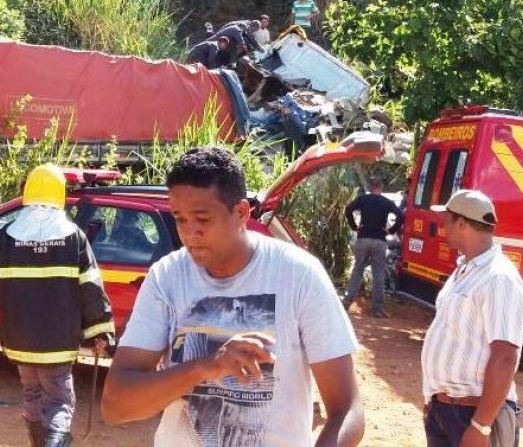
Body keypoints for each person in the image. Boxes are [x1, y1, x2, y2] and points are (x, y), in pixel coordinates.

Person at [101, 147, 364, 447]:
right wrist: (207, 367)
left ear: (241, 212)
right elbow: (115, 406)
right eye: (180, 219)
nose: (189, 233)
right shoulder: (167, 277)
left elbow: (347, 410)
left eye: (202, 218)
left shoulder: (298, 275)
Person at [0, 164, 115, 447]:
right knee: (59, 401)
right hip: (58, 344)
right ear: (60, 194)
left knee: (32, 393)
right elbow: (92, 289)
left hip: (19, 342)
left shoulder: (7, 236)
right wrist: (101, 333)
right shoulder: (74, 238)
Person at [421, 189, 523, 447]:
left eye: (447, 219)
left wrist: (481, 425)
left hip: (473, 414)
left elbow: (504, 357)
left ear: (461, 223)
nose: (443, 225)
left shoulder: (499, 278)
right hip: (445, 411)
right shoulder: (466, 270)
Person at [341, 177, 405, 317]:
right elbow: (401, 216)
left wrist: (354, 226)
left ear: (370, 187)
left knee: (357, 270)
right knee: (378, 274)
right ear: (381, 187)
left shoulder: (363, 199)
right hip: (380, 241)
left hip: (363, 238)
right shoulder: (386, 202)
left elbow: (348, 209)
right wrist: (391, 230)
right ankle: (377, 309)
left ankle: (346, 303)